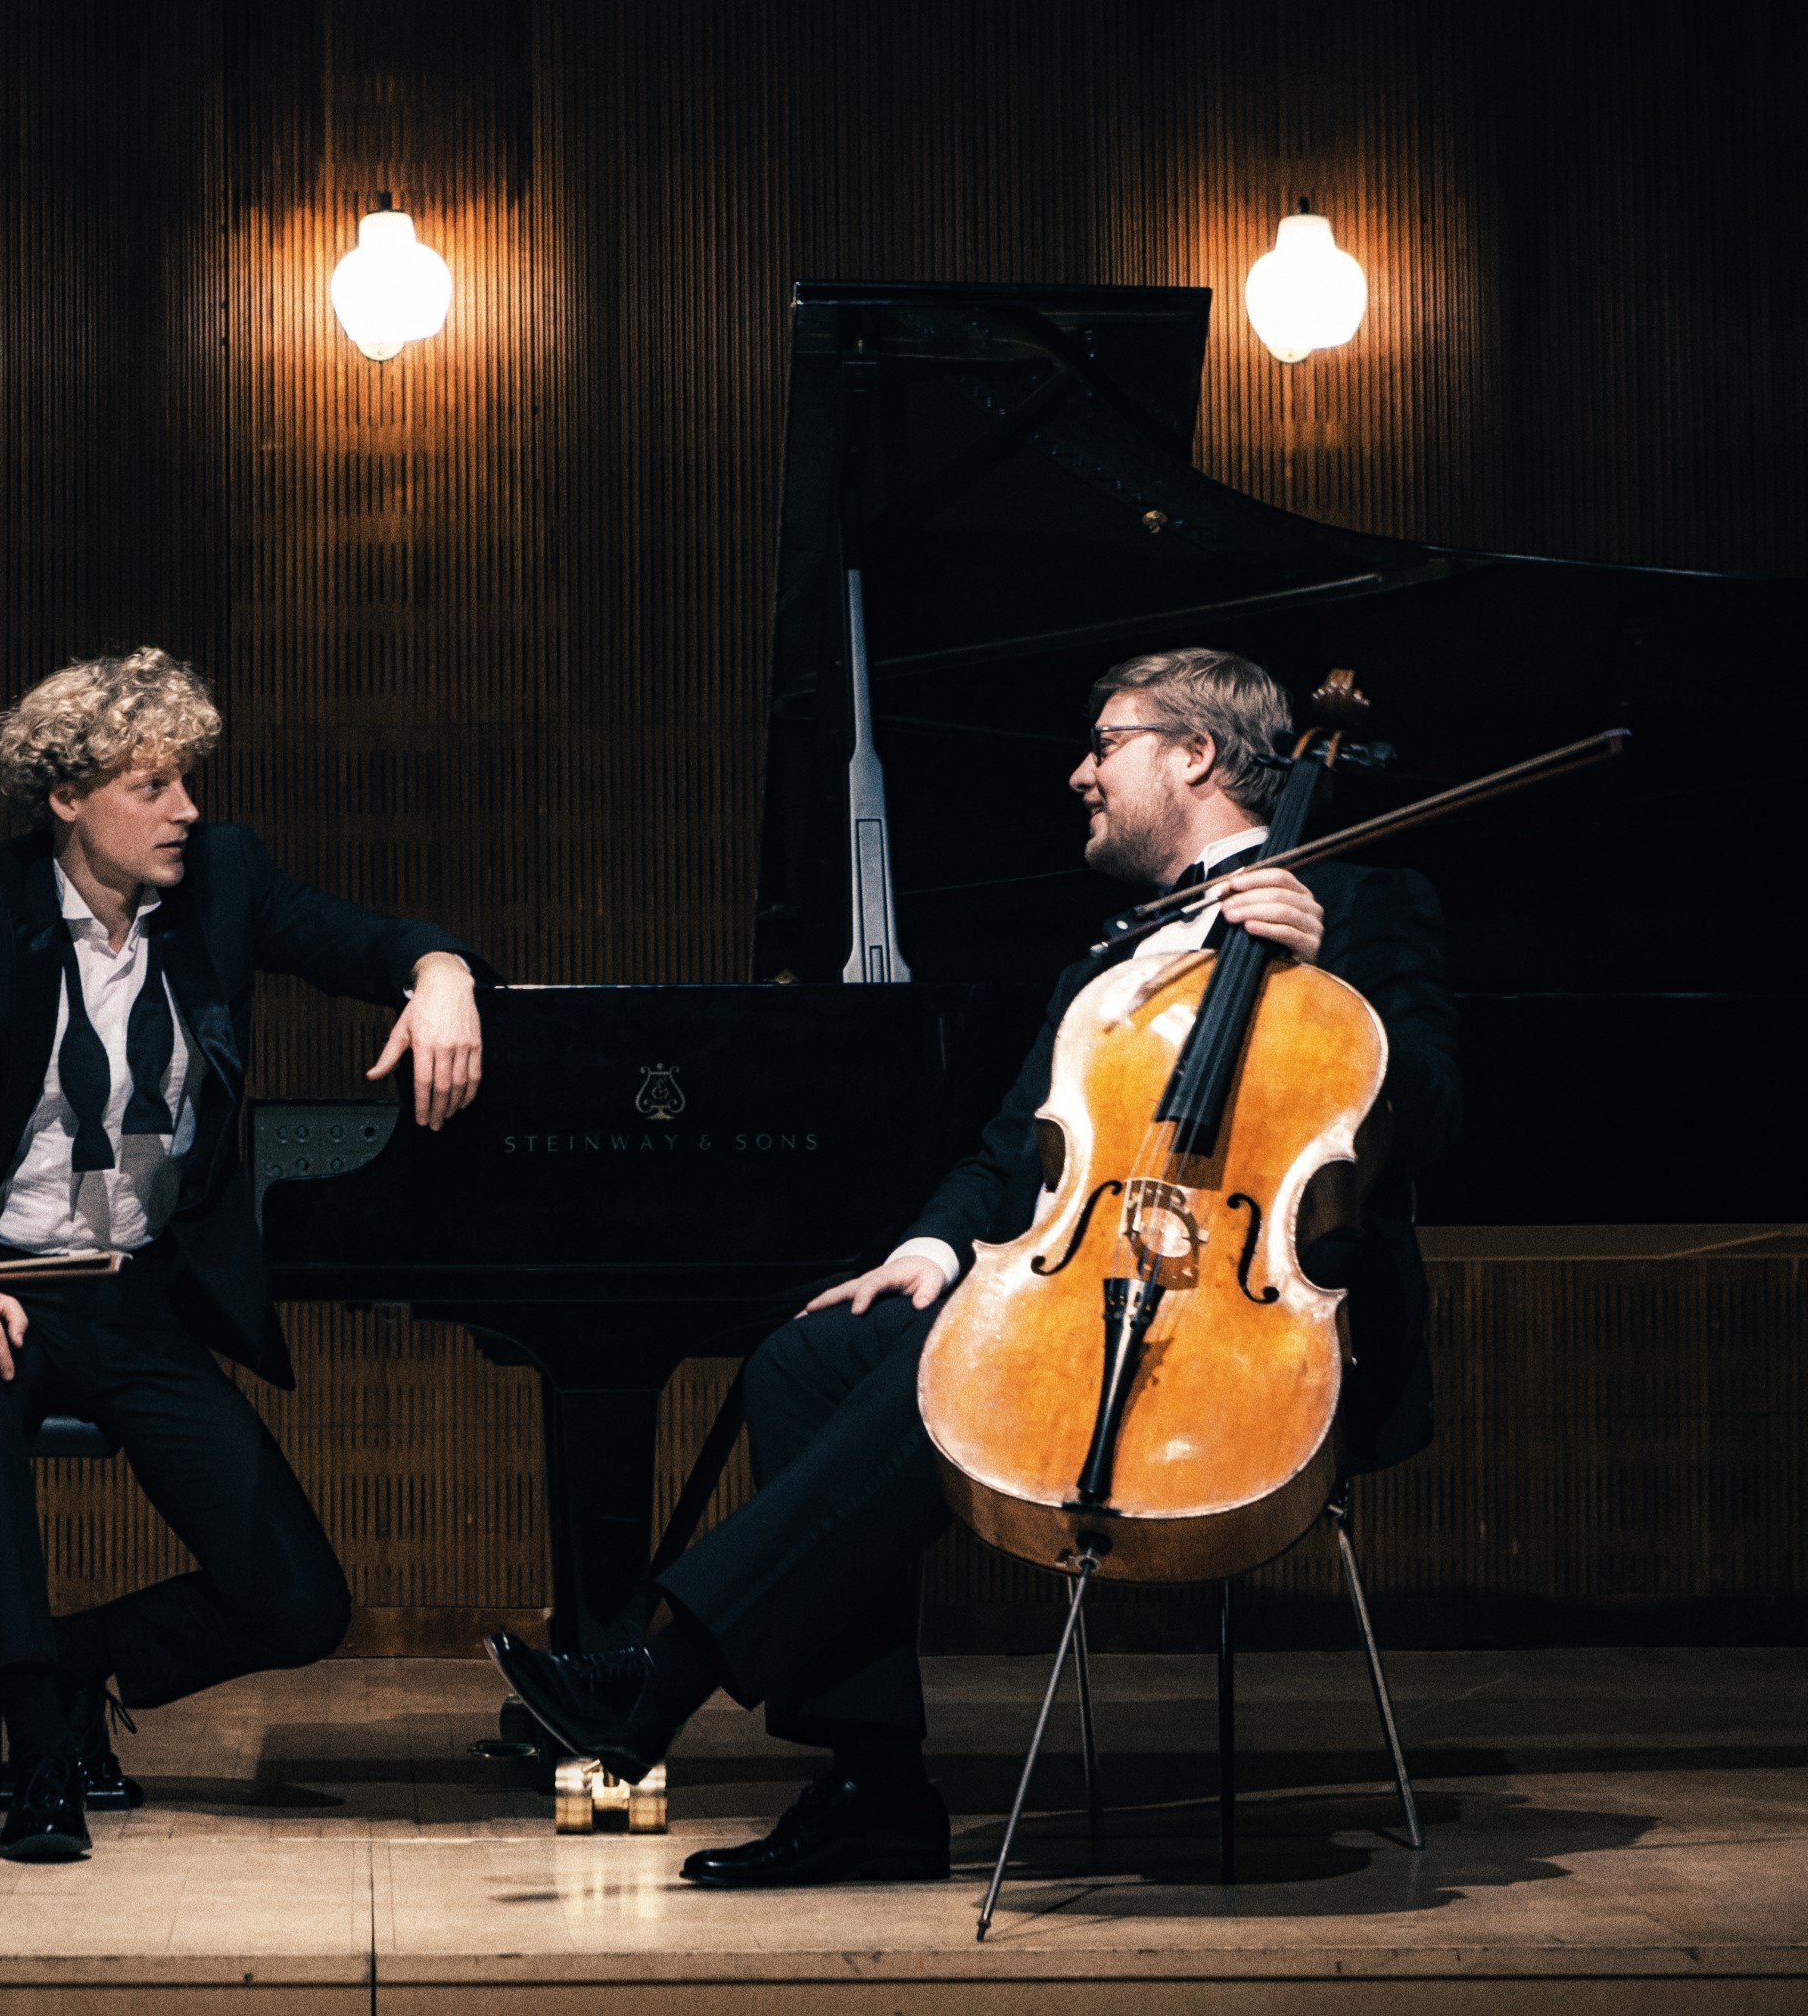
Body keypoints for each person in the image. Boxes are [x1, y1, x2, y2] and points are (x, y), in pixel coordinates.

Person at [490, 646, 1461, 1888]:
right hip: (1096, 1294)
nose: (1078, 774)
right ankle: (871, 1786)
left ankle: (659, 1678)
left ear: (1194, 755)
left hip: (1263, 1339)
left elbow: (1436, 1120)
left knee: (959, 1366)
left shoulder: (1367, 904)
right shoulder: (1105, 962)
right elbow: (1013, 1149)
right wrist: (927, 1247)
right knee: (809, 1357)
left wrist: (1322, 968)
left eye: (1103, 744)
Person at [0, 646, 488, 1864]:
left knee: (300, 1602)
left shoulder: (223, 880)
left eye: (187, 779)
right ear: (66, 798)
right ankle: (37, 1752)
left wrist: (439, 970)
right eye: (151, 786)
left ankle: (71, 1667)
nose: (186, 808)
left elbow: (364, 940)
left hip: (137, 1293)